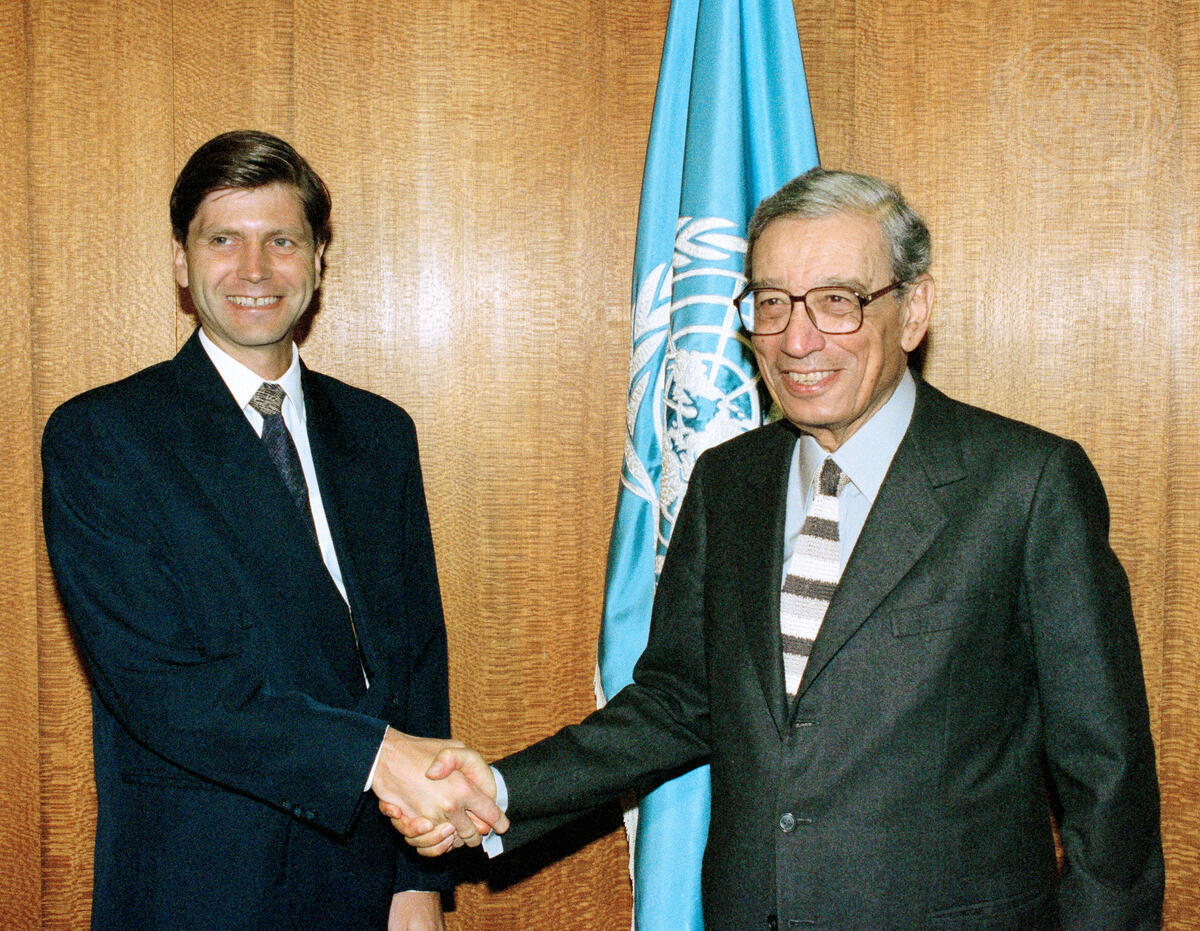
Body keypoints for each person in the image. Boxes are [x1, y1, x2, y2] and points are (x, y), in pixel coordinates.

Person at [391, 168, 1164, 928]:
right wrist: (500, 789)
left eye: (838, 300)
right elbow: (677, 701)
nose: (796, 339)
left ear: (914, 309)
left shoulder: (1025, 485)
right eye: (770, 302)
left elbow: (1108, 782)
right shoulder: (728, 483)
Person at [41, 130, 504, 930]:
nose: (254, 270)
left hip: (367, 882)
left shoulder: (379, 434)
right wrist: (374, 756)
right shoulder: (104, 437)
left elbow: (415, 662)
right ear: (181, 260)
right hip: (199, 887)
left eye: (281, 241)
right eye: (224, 240)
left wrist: (417, 881)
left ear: (318, 260)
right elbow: (161, 688)